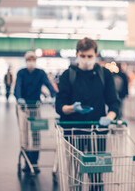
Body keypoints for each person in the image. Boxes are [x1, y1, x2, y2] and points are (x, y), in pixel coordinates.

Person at [55, 37, 120, 191]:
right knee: (74, 173)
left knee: (96, 174)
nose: (86, 60)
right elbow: (59, 106)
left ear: (96, 55)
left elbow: (114, 103)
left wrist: (109, 118)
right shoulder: (67, 75)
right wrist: (72, 108)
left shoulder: (104, 74)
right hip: (73, 131)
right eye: (82, 56)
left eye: (89, 56)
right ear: (77, 54)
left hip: (97, 131)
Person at [14, 51, 57, 174]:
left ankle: (34, 162)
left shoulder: (40, 73)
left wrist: (54, 96)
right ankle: (26, 162)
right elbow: (18, 87)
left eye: (33, 59)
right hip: (23, 108)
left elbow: (48, 85)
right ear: (26, 60)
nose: (31, 62)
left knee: (36, 135)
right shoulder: (21, 73)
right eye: (29, 59)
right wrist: (19, 98)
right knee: (24, 135)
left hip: (35, 107)